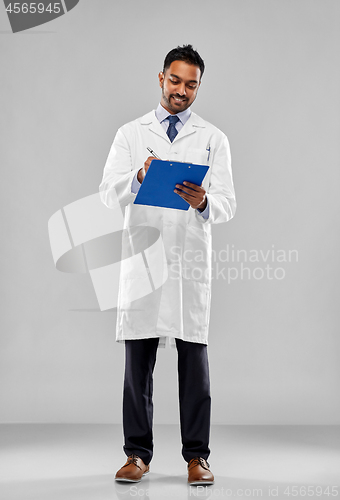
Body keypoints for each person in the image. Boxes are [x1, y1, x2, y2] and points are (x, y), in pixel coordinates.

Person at [99, 44, 236, 486]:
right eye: (175, 81)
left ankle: (198, 458)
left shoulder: (214, 138)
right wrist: (139, 176)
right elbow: (106, 194)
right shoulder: (130, 134)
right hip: (143, 262)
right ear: (161, 78)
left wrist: (205, 202)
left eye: (191, 84)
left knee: (194, 363)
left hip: (187, 264)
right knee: (137, 363)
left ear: (199, 87)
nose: (181, 91)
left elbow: (228, 204)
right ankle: (137, 455)